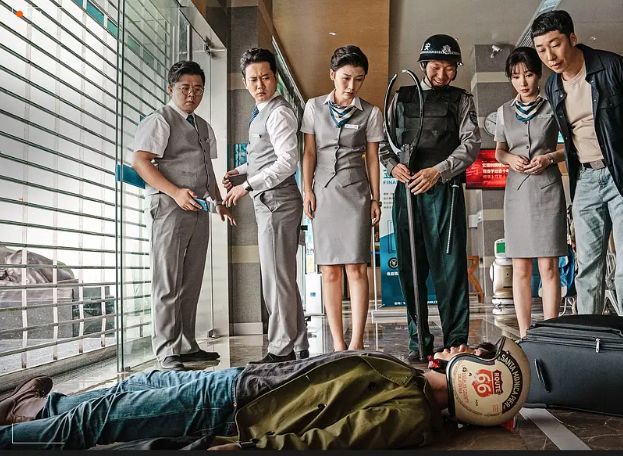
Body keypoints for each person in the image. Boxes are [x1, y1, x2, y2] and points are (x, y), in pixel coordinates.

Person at [0, 338, 530, 450]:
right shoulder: (411, 379)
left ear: (476, 381)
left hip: (232, 407)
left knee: (100, 422)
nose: (464, 346)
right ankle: (35, 408)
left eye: (476, 352)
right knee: (134, 390)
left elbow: (329, 441)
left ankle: (17, 433)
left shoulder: (411, 411)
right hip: (241, 382)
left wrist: (248, 447)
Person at [532, 11, 623, 319]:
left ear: (572, 39)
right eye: (541, 49)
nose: (550, 56)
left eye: (555, 44)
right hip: (585, 179)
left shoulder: (614, 68)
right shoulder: (553, 86)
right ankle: (589, 333)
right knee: (587, 265)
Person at [379, 34, 481, 361]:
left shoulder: (461, 99)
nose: (442, 74)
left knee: (450, 270)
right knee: (411, 269)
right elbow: (384, 144)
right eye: (436, 66)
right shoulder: (401, 97)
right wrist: (393, 166)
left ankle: (455, 342)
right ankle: (418, 341)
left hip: (445, 191)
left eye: (450, 68)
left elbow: (470, 144)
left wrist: (439, 171)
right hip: (408, 191)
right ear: (423, 65)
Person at [132, 61, 235, 371]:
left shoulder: (202, 125)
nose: (192, 94)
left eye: (198, 89)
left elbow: (207, 168)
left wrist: (219, 201)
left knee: (190, 281)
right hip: (168, 209)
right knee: (168, 281)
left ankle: (186, 345)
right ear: (170, 88)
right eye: (185, 88)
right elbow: (140, 161)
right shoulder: (159, 120)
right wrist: (175, 192)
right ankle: (166, 349)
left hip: (199, 209)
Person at [223, 48, 309, 364]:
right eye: (253, 79)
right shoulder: (261, 112)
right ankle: (297, 343)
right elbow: (266, 156)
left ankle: (280, 349)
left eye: (266, 77)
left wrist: (246, 186)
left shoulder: (279, 112)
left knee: (275, 279)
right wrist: (240, 171)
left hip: (277, 202)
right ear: (245, 81)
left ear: (275, 78)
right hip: (270, 202)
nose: (260, 84)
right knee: (281, 277)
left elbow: (287, 162)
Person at [300, 46, 383, 351]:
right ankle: (338, 344)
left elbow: (372, 158)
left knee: (357, 268)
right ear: (332, 75)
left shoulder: (371, 113)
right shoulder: (313, 108)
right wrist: (307, 190)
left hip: (356, 195)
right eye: (346, 78)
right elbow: (309, 152)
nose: (352, 86)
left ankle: (357, 342)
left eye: (359, 79)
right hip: (323, 194)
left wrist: (375, 198)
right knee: (330, 270)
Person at [494, 47, 568, 337]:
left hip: (547, 190)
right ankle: (525, 334)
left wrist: (548, 158)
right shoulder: (503, 111)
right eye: (515, 76)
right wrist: (509, 159)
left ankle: (551, 332)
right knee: (520, 267)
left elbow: (568, 148)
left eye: (528, 74)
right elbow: (499, 151)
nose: (522, 82)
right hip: (517, 193)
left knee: (548, 265)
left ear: (538, 74)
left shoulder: (554, 106)